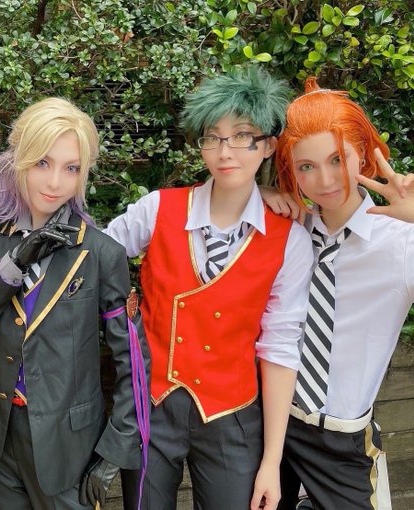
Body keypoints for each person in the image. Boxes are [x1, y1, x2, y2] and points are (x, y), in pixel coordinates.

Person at [105, 66, 313, 510]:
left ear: (268, 145)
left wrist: (271, 462)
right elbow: (94, 258)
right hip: (151, 405)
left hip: (233, 415)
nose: (224, 151)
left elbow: (280, 347)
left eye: (242, 136)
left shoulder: (290, 239)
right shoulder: (157, 209)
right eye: (212, 137)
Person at [0, 97, 148, 510]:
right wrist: (13, 265)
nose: (55, 182)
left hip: (70, 449)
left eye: (71, 168)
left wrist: (114, 450)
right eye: (42, 163)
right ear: (19, 158)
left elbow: (133, 362)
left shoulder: (101, 253)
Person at [267, 77, 414, 509]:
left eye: (338, 159)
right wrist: (255, 194)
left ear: (364, 153)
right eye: (306, 166)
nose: (325, 180)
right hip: (268, 427)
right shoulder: (285, 230)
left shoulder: (403, 242)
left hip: (341, 443)